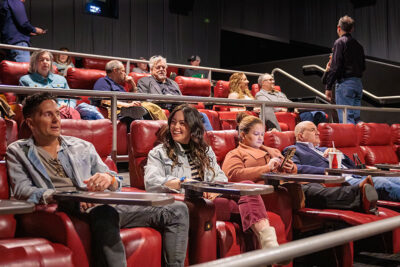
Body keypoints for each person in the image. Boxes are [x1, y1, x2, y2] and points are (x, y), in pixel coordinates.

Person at [6, 92, 189, 267]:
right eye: (48, 115)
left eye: (57, 114)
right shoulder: (18, 151)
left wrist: (107, 179)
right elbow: (22, 190)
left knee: (177, 209)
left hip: (100, 202)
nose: (56, 120)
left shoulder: (82, 146)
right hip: (66, 205)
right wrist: (64, 196)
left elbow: (116, 181)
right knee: (104, 212)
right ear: (30, 123)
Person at [144, 104, 281, 250]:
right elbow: (151, 182)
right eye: (173, 122)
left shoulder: (205, 150)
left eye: (182, 123)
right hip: (188, 201)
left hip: (213, 197)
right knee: (242, 207)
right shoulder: (159, 153)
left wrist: (215, 189)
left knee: (247, 186)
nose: (176, 127)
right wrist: (182, 182)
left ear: (193, 126)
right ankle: (269, 245)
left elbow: (221, 177)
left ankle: (269, 242)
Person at [222, 115, 378, 214]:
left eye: (262, 134)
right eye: (256, 134)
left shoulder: (273, 151)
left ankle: (360, 196)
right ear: (243, 135)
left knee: (315, 188)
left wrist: (291, 167)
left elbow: (291, 167)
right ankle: (359, 194)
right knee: (311, 192)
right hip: (271, 190)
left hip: (290, 182)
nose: (260, 138)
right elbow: (233, 176)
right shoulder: (235, 153)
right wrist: (267, 167)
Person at [284, 121, 400, 202]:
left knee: (397, 179)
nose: (318, 133)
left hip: (356, 175)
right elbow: (296, 169)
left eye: (317, 130)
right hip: (343, 182)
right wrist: (328, 171)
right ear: (301, 135)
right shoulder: (293, 149)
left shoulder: (324, 149)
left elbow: (353, 166)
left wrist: (339, 154)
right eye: (313, 130)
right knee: (383, 183)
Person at [137, 55, 213, 130]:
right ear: (151, 69)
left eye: (163, 67)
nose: (161, 69)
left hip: (179, 108)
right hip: (164, 110)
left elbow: (181, 99)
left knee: (203, 116)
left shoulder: (174, 83)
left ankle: (208, 139)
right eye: (158, 67)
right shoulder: (144, 81)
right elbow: (145, 102)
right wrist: (166, 99)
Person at [325, 15, 365, 124]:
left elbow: (335, 67)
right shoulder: (359, 45)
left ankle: (349, 141)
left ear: (339, 28)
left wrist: (328, 87)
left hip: (345, 85)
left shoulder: (340, 42)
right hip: (358, 84)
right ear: (352, 29)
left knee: (346, 120)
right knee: (356, 119)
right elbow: (363, 67)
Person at [18, 50, 81, 118]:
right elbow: (24, 104)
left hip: (64, 111)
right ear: (34, 63)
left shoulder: (61, 79)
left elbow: (71, 98)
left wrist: (68, 107)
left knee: (81, 110)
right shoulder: (25, 80)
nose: (45, 62)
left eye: (47, 60)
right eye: (41, 60)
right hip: (42, 113)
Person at [256, 73, 327, 126]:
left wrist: (295, 107)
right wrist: (281, 109)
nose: (273, 81)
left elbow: (289, 103)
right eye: (270, 80)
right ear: (263, 83)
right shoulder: (260, 94)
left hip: (292, 111)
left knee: (320, 114)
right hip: (283, 115)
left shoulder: (280, 93)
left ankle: (320, 139)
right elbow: (267, 108)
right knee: (308, 115)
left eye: (273, 79)